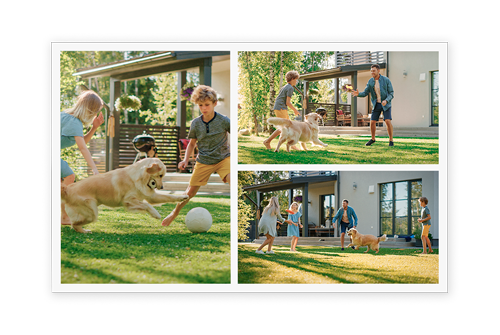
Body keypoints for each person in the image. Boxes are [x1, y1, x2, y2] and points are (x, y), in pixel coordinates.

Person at [162, 85, 230, 227]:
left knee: (233, 180)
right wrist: (186, 159)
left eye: (207, 105)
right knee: (189, 193)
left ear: (214, 103)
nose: (204, 108)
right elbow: (192, 144)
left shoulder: (224, 120)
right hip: (204, 161)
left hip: (224, 159)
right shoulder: (196, 123)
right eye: (200, 105)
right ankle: (174, 214)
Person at [61, 90, 105, 225]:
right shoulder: (75, 123)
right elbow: (83, 148)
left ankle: (63, 216)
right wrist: (94, 168)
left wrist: (94, 128)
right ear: (90, 111)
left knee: (66, 179)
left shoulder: (65, 116)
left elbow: (82, 142)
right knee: (68, 177)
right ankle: (63, 216)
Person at [351, 64, 395, 146]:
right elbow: (365, 93)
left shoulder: (386, 80)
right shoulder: (370, 81)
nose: (372, 72)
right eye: (371, 71)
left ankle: (391, 140)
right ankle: (373, 139)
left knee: (387, 121)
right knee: (372, 122)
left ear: (378, 71)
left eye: (374, 71)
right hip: (376, 104)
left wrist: (386, 100)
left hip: (386, 104)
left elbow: (391, 93)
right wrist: (358, 94)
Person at [263, 70, 301, 150]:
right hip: (280, 108)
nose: (297, 81)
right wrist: (295, 110)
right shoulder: (290, 88)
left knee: (287, 127)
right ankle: (267, 141)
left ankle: (291, 144)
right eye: (296, 79)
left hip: (280, 107)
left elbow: (279, 98)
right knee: (284, 127)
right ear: (292, 79)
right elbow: (288, 102)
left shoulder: (285, 86)